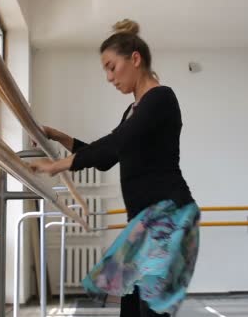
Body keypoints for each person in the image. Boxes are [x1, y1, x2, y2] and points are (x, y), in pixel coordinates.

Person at [30, 19, 200, 317]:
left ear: (135, 59)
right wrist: (58, 136)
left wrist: (59, 165)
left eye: (111, 66)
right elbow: (107, 155)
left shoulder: (161, 98)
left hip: (168, 218)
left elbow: (117, 142)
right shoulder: (133, 110)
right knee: (131, 307)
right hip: (144, 222)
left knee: (149, 310)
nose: (109, 77)